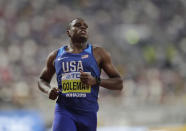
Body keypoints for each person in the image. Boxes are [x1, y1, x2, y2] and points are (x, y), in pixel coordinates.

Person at [38, 18, 123, 131]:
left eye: (85, 26)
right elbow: (42, 80)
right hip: (64, 111)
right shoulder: (56, 56)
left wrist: (96, 81)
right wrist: (48, 90)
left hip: (88, 114)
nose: (83, 27)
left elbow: (119, 83)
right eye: (78, 25)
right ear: (68, 32)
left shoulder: (99, 53)